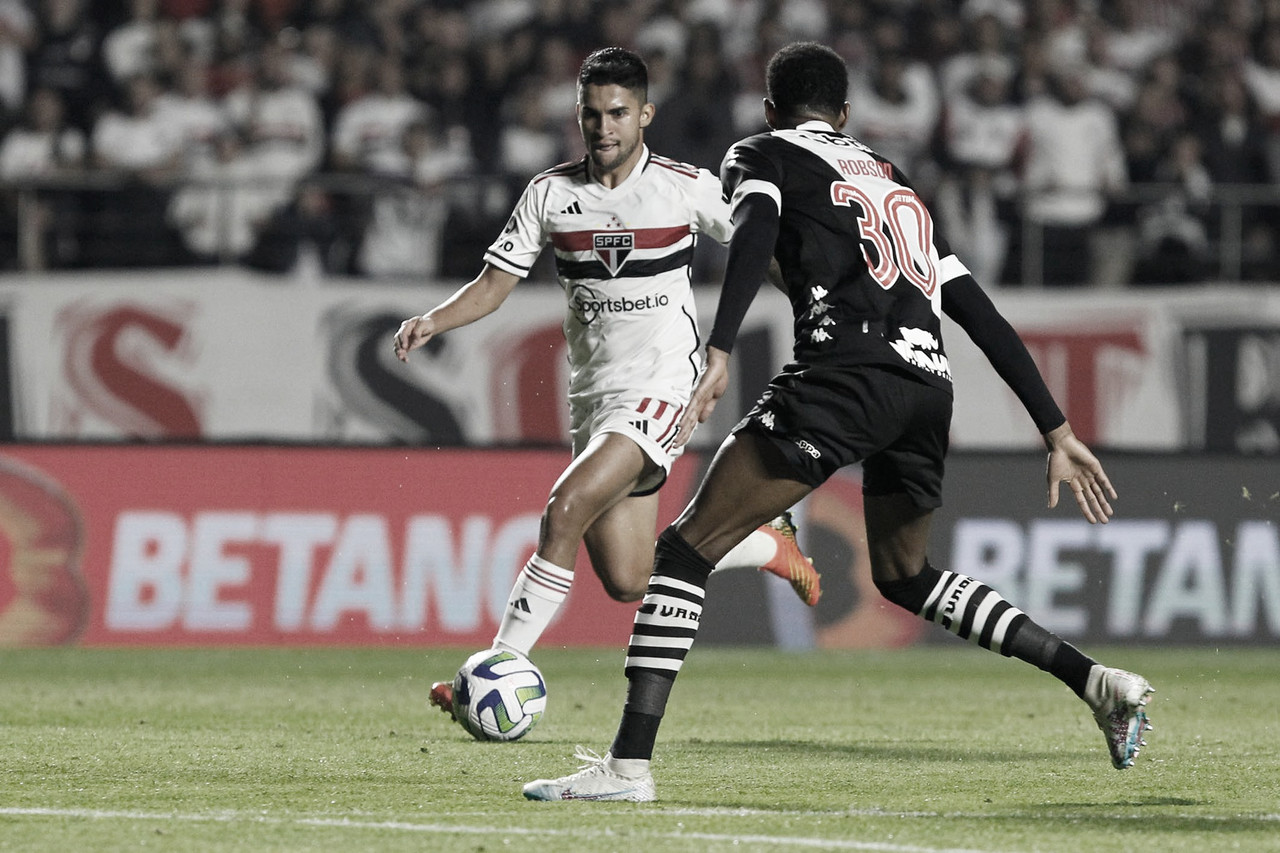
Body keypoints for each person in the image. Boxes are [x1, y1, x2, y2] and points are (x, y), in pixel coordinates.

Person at [523, 42, 1153, 803]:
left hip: (842, 374)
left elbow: (753, 231)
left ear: (770, 110)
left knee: (684, 552)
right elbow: (972, 305)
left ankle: (627, 768)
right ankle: (1096, 680)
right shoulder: (895, 182)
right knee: (906, 574)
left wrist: (719, 345)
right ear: (847, 116)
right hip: (927, 386)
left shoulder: (762, 151)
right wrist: (1054, 426)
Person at [392, 47, 821, 716]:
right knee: (627, 578)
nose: (604, 127)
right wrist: (433, 319)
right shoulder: (551, 193)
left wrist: (816, 299)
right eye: (591, 114)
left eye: (618, 113)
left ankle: (496, 668)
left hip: (662, 386)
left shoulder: (683, 186)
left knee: (564, 508)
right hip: (593, 399)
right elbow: (495, 284)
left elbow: (757, 240)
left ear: (644, 114)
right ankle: (769, 542)